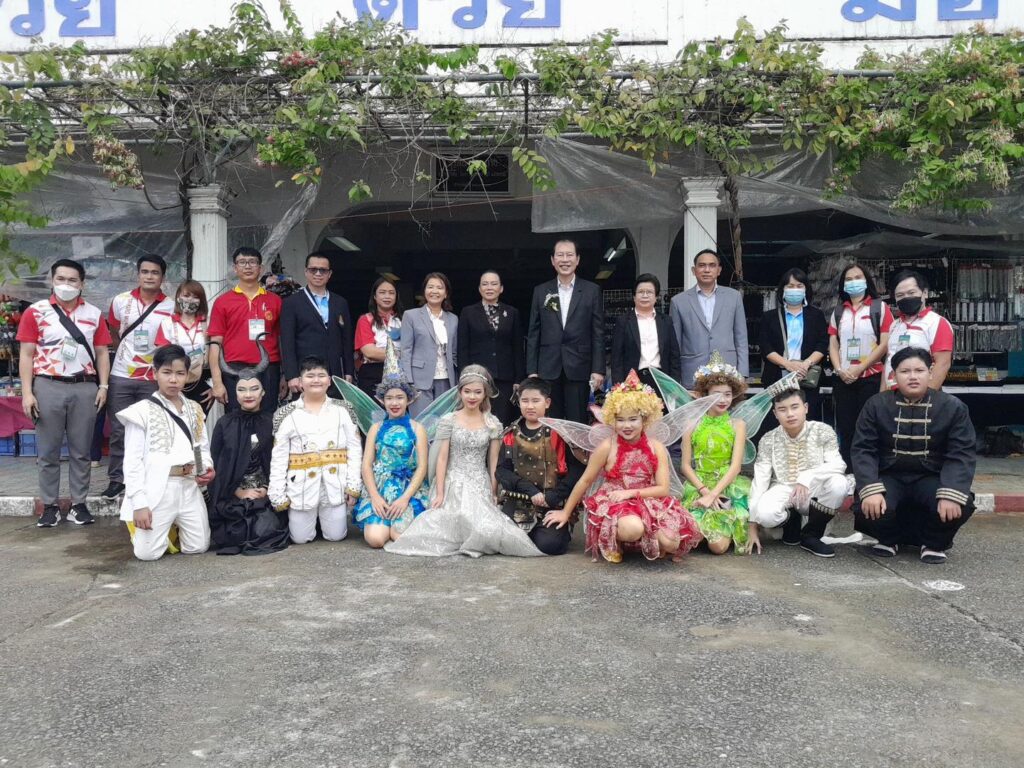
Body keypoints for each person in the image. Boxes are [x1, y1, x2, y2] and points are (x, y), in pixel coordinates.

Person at [385, 365, 543, 558]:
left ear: (485, 394)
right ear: (460, 392)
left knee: (487, 528)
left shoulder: (492, 423)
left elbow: (493, 460)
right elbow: (442, 458)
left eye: (477, 392)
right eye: (467, 391)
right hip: (453, 480)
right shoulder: (449, 420)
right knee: (452, 519)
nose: (472, 396)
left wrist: (494, 492)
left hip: (479, 480)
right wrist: (440, 492)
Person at [544, 371, 702, 563]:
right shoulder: (607, 446)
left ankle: (643, 538)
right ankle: (617, 539)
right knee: (633, 529)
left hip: (646, 497)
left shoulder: (656, 447)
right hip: (615, 500)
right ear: (613, 420)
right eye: (620, 420)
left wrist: (630, 493)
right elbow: (585, 480)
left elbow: (663, 489)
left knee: (671, 543)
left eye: (633, 419)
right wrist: (566, 512)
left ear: (645, 419)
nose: (626, 426)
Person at [852, 347, 976, 564]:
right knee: (866, 500)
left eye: (919, 370)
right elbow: (863, 449)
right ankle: (888, 539)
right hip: (889, 475)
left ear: (930, 372)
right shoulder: (876, 405)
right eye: (905, 371)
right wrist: (870, 487)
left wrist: (951, 491)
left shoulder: (953, 407)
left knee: (960, 501)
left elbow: (961, 453)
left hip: (932, 477)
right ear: (894, 375)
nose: (912, 376)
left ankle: (934, 543)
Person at [16, 259, 111, 527]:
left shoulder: (94, 314)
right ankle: (50, 506)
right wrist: (27, 392)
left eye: (72, 280)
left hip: (84, 386)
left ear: (82, 284)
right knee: (48, 451)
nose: (66, 285)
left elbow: (102, 352)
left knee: (82, 450)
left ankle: (79, 504)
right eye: (61, 279)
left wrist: (103, 386)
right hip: (47, 385)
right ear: (51, 280)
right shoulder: (35, 312)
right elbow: (26, 354)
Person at [116, 345, 215, 561]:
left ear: (187, 376)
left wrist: (206, 468)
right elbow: (132, 461)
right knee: (147, 554)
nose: (173, 380)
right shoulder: (140, 411)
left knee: (198, 546)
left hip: (189, 486)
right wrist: (139, 504)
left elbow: (201, 446)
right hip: (158, 489)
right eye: (167, 372)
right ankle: (160, 532)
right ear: (155, 373)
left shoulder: (194, 408)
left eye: (180, 374)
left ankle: (172, 531)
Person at [102, 254, 175, 499]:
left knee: (152, 430)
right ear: (138, 274)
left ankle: (148, 478)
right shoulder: (120, 301)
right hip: (121, 375)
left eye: (155, 272)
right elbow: (114, 332)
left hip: (153, 378)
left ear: (162, 277)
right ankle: (117, 479)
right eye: (145, 272)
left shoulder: (171, 306)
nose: (149, 276)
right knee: (119, 430)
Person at [268, 356, 363, 545]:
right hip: (301, 487)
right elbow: (278, 457)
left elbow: (354, 449)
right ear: (300, 381)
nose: (316, 380)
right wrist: (277, 493)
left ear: (329, 380)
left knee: (336, 536)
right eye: (310, 376)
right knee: (300, 539)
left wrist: (353, 486)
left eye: (321, 375)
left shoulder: (343, 410)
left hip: (334, 486)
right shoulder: (286, 414)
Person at [748, 387, 850, 558]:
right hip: (783, 487)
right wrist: (752, 525)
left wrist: (807, 477)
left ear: (806, 408)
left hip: (813, 489)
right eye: (782, 409)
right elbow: (760, 480)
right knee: (764, 515)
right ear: (775, 414)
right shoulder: (768, 439)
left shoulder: (822, 430)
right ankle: (792, 521)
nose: (790, 414)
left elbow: (838, 464)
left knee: (839, 483)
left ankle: (812, 535)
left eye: (795, 407)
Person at [207, 356, 289, 556]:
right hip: (233, 496)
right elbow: (216, 466)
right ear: (235, 393)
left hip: (267, 494)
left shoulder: (274, 422)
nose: (248, 395)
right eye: (242, 390)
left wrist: (268, 489)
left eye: (254, 389)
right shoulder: (224, 424)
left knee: (266, 529)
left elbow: (283, 462)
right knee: (236, 533)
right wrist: (238, 492)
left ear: (263, 392)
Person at [353, 342, 431, 549]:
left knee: (399, 535)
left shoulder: (417, 429)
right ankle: (383, 520)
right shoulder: (375, 428)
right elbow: (366, 465)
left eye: (399, 398)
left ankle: (397, 523)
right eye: (389, 398)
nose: (394, 403)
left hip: (407, 488)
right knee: (376, 539)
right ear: (382, 401)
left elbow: (422, 467)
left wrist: (405, 498)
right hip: (380, 487)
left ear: (409, 400)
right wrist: (375, 497)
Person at [495, 378, 583, 556]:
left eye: (535, 401)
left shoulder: (560, 434)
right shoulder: (511, 434)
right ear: (519, 402)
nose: (530, 406)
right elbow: (502, 470)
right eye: (525, 401)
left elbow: (576, 470)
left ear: (547, 402)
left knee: (549, 545)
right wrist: (529, 489)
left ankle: (556, 531)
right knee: (504, 541)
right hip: (520, 500)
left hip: (552, 503)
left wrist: (554, 496)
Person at [526, 238, 605, 422]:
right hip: (548, 367)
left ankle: (574, 444)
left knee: (577, 420)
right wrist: (532, 370)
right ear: (552, 260)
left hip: (579, 365)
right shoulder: (541, 291)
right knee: (550, 421)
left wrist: (598, 369)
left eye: (569, 255)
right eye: (560, 255)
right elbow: (534, 333)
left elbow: (598, 333)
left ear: (577, 259)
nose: (565, 259)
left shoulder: (591, 291)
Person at [679, 355, 751, 555]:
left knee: (718, 547)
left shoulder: (737, 425)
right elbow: (685, 465)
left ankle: (714, 527)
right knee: (686, 536)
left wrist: (714, 494)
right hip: (698, 485)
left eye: (728, 394)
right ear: (704, 395)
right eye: (716, 394)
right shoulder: (691, 424)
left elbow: (736, 466)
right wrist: (705, 492)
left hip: (727, 487)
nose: (723, 400)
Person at [827, 263, 894, 468]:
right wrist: (839, 369)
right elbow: (833, 344)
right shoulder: (838, 311)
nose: (853, 282)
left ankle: (871, 468)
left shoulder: (879, 308)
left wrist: (861, 367)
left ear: (866, 280)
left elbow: (885, 343)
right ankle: (849, 469)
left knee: (869, 425)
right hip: (844, 378)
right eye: (848, 279)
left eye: (858, 277)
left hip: (871, 376)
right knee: (845, 426)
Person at [208, 247, 284, 413]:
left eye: (252, 262)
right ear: (235, 268)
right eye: (242, 262)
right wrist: (217, 381)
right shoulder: (223, 301)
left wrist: (284, 376)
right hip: (233, 369)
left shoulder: (275, 301)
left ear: (261, 268)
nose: (247, 266)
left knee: (267, 419)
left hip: (268, 369)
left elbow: (282, 340)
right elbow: (215, 343)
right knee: (236, 419)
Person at [280, 251, 354, 399]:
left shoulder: (340, 302)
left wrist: (349, 371)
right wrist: (291, 375)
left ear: (329, 274)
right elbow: (287, 342)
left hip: (335, 374)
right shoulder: (291, 303)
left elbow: (346, 340)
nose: (318, 274)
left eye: (323, 270)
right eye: (313, 270)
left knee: (335, 410)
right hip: (305, 373)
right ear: (306, 272)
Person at [671, 249, 748, 388]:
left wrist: (743, 372)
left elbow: (741, 337)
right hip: (692, 372)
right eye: (702, 265)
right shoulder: (678, 301)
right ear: (694, 270)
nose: (707, 270)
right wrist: (676, 377)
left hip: (728, 370)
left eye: (712, 265)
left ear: (719, 270)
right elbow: (675, 343)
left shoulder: (733, 297)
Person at [758, 268, 828, 422]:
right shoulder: (770, 317)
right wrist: (787, 364)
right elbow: (765, 346)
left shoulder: (816, 315)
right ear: (782, 290)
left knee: (808, 422)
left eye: (799, 286)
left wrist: (806, 364)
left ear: (806, 289)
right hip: (777, 378)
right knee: (778, 421)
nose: (794, 289)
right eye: (790, 286)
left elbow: (823, 343)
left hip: (807, 378)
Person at [458, 270, 525, 425]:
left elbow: (517, 348)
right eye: (485, 284)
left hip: (505, 377)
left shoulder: (512, 312)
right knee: (479, 418)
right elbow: (463, 348)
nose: (489, 287)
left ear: (501, 288)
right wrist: (464, 376)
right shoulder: (468, 312)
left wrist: (518, 378)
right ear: (479, 288)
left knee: (503, 419)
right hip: (477, 376)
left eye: (494, 284)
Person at [882, 270, 954, 391]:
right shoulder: (894, 325)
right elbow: (888, 361)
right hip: (891, 395)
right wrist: (882, 396)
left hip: (920, 396)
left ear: (925, 293)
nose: (906, 298)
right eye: (900, 295)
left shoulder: (937, 323)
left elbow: (942, 364)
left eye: (911, 293)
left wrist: (924, 397)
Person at [401, 272, 458, 417]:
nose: (434, 291)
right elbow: (406, 350)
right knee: (421, 422)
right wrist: (408, 380)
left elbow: (454, 352)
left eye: (439, 287)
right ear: (424, 291)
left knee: (444, 422)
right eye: (430, 287)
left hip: (446, 378)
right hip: (418, 379)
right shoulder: (411, 315)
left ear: (446, 293)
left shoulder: (453, 319)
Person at [610, 273, 681, 389]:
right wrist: (619, 386)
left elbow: (674, 356)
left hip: (661, 381)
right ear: (634, 297)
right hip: (632, 382)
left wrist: (675, 385)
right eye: (640, 292)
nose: (645, 295)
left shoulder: (666, 321)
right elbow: (616, 358)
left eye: (649, 292)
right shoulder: (623, 321)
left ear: (656, 297)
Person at [155, 280, 212, 411]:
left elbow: (217, 354)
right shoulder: (167, 323)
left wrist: (214, 385)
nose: (190, 300)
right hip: (174, 381)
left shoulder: (208, 323)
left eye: (195, 297)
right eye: (186, 296)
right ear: (178, 297)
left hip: (202, 382)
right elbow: (161, 357)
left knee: (197, 421)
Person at [354, 277, 403, 397]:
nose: (387, 296)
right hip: (372, 373)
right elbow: (370, 352)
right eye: (382, 292)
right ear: (375, 297)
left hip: (400, 373)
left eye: (391, 293)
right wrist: (403, 355)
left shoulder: (404, 320)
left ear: (396, 296)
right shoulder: (365, 320)